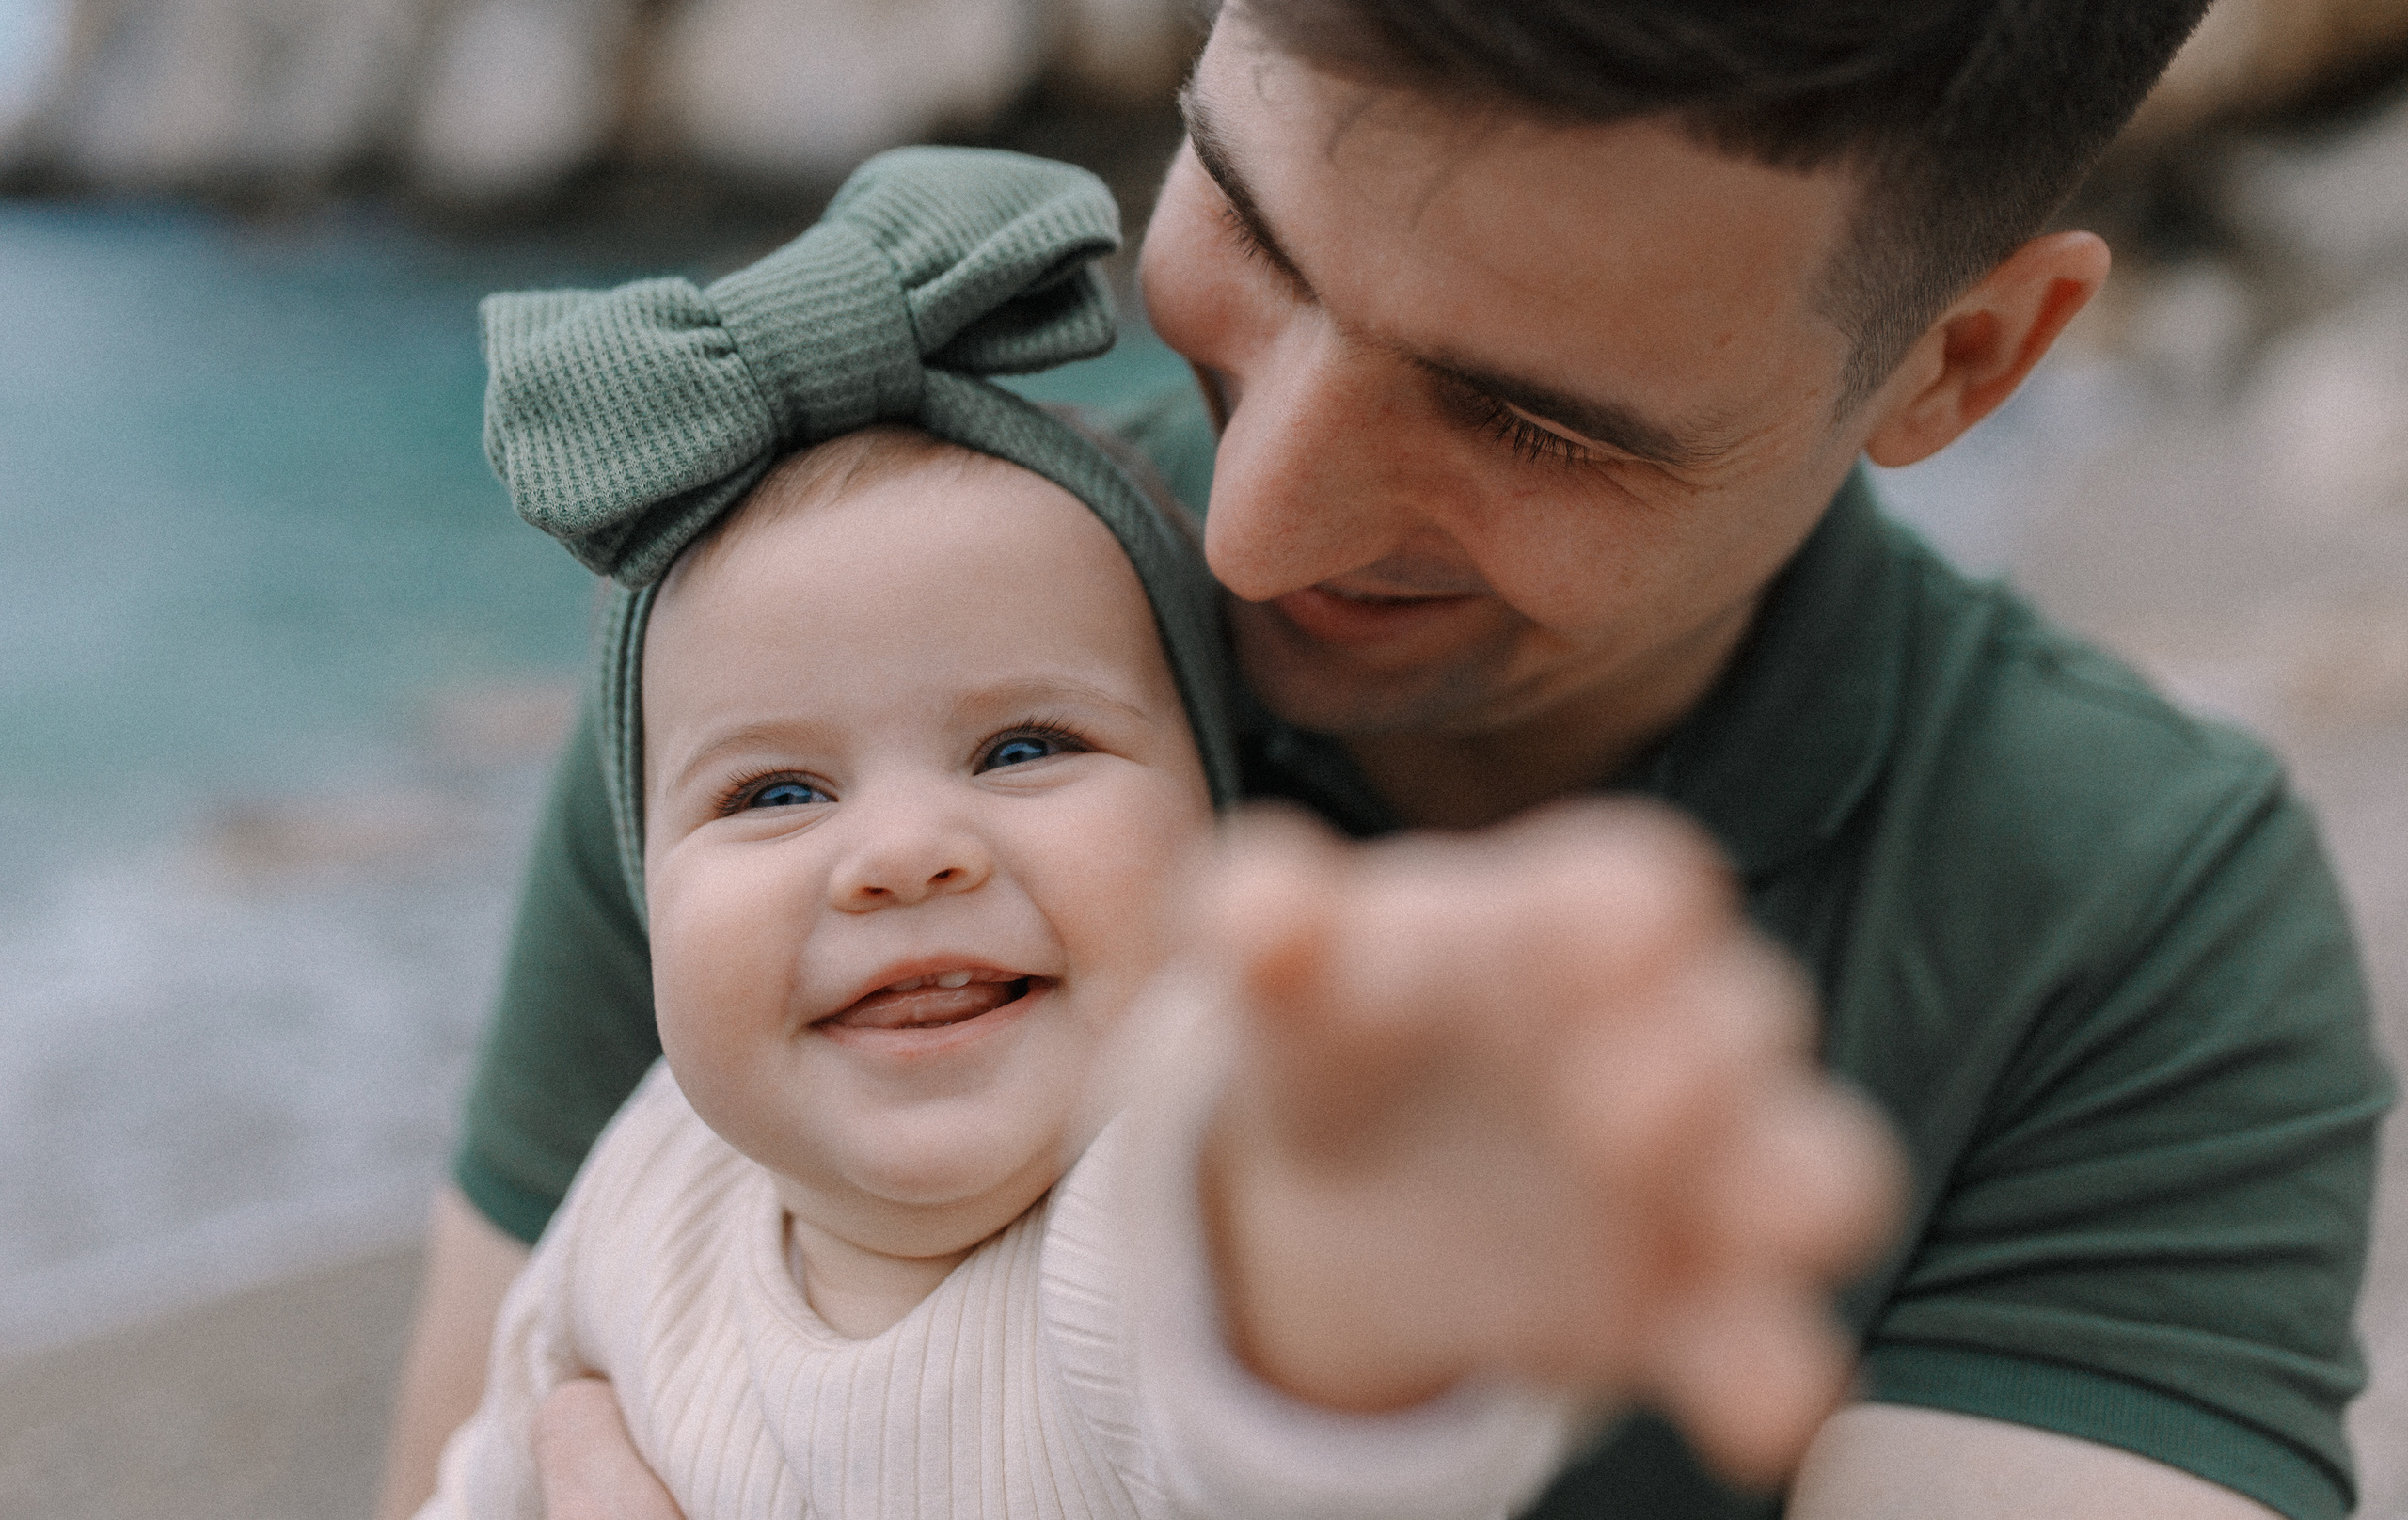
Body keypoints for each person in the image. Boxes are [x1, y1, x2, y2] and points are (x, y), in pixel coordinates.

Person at [376, 0, 2393, 1519]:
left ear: (1957, 360)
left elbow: (1234, 1368)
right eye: (1245, 219)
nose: (1246, 531)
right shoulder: (806, 647)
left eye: (1526, 420)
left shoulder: (2121, 932)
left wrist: (1344, 1309)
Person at [413, 145, 1892, 1520]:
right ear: (641, 894)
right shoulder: (646, 1188)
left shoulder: (1152, 1215)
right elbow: (485, 1477)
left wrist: (1369, 1259)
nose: (906, 851)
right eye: (776, 795)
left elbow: (1288, 1385)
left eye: (1025, 747)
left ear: (1221, 829)